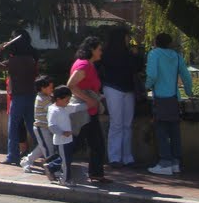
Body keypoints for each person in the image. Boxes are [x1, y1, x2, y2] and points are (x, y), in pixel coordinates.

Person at [146, 32, 193, 175]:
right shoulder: (177, 56)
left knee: (161, 131)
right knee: (174, 131)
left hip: (160, 97)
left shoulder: (154, 54)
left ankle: (165, 162)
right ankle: (175, 162)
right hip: (174, 98)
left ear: (156, 42)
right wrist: (189, 92)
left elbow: (152, 75)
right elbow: (186, 76)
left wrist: (146, 85)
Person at [67, 36, 110, 184]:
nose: (101, 52)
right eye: (99, 49)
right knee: (79, 143)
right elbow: (71, 85)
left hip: (88, 111)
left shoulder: (87, 65)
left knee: (94, 143)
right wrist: (89, 99)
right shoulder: (84, 65)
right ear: (92, 49)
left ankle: (96, 174)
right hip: (84, 111)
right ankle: (56, 164)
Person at [101, 27, 143, 167]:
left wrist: (135, 55)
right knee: (117, 123)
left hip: (126, 88)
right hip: (114, 88)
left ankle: (126, 156)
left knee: (126, 124)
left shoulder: (125, 53)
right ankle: (115, 157)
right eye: (126, 37)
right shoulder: (108, 54)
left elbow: (137, 67)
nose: (128, 39)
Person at [0, 29, 38, 165]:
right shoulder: (32, 59)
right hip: (31, 95)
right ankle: (45, 151)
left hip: (18, 97)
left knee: (13, 127)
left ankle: (13, 156)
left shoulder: (13, 61)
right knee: (33, 127)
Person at [45, 85, 88, 186]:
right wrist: (62, 132)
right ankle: (64, 179)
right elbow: (51, 126)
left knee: (67, 160)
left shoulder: (65, 107)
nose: (68, 102)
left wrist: (89, 104)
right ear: (58, 99)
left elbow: (77, 108)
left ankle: (53, 168)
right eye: (67, 100)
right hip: (61, 140)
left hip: (68, 140)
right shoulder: (53, 110)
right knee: (65, 161)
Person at [21, 75, 56, 171]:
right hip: (42, 128)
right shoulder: (42, 99)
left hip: (46, 128)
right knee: (48, 150)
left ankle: (27, 160)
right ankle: (53, 169)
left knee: (42, 147)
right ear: (43, 88)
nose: (52, 89)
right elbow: (53, 109)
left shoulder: (47, 96)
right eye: (50, 88)